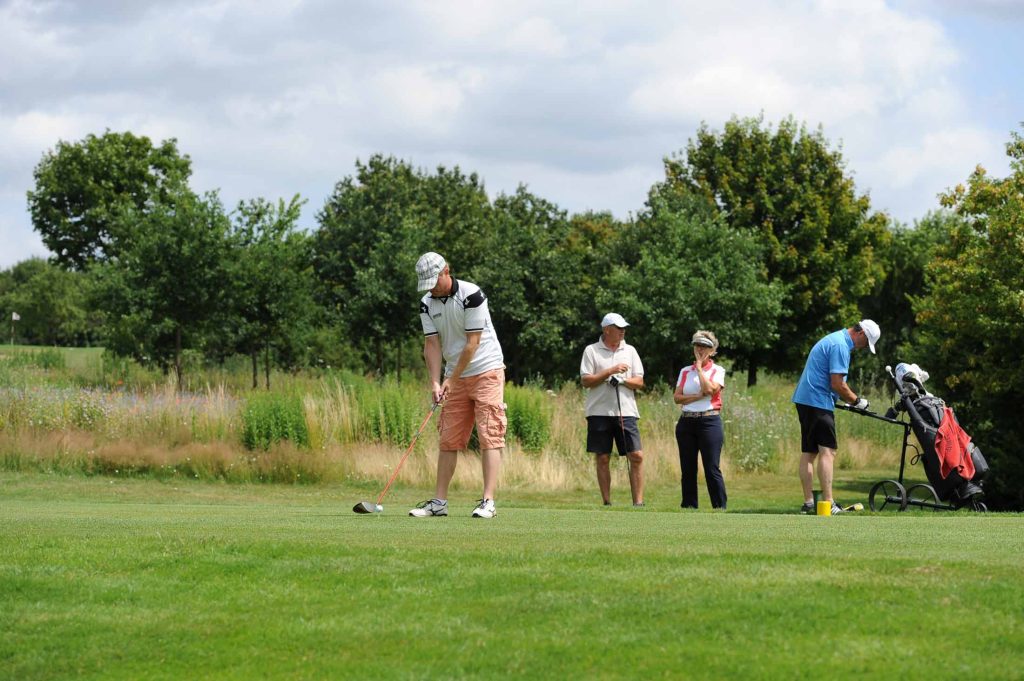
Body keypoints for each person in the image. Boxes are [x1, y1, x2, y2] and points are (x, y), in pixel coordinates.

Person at [408, 252, 506, 519]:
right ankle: (439, 503)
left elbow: (473, 343)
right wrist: (436, 382)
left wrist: (451, 379)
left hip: (486, 370)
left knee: (490, 434)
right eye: (426, 284)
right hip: (454, 375)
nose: (431, 288)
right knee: (448, 439)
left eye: (434, 281)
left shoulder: (472, 295)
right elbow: (431, 344)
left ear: (446, 271)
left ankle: (488, 501)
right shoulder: (426, 304)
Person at [792, 319, 880, 515]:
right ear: (861, 334)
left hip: (806, 400)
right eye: (866, 343)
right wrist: (857, 401)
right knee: (828, 451)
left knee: (809, 452)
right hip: (818, 402)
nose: (863, 347)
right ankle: (828, 503)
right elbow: (837, 384)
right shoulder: (841, 346)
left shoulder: (834, 339)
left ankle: (809, 504)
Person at [580, 313, 646, 506]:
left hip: (626, 412)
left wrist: (623, 381)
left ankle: (638, 503)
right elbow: (586, 380)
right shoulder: (591, 350)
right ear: (607, 330)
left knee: (636, 456)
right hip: (598, 412)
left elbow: (639, 382)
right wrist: (610, 371)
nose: (623, 331)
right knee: (602, 457)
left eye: (624, 328)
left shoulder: (630, 350)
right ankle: (607, 502)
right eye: (619, 328)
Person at [674, 330, 727, 510]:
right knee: (688, 468)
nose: (700, 349)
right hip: (686, 422)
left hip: (709, 422)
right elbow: (677, 398)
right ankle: (689, 506)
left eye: (705, 346)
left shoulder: (718, 370)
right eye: (697, 345)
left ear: (712, 351)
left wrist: (698, 368)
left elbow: (710, 390)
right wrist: (697, 396)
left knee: (711, 467)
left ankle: (719, 507)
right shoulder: (684, 371)